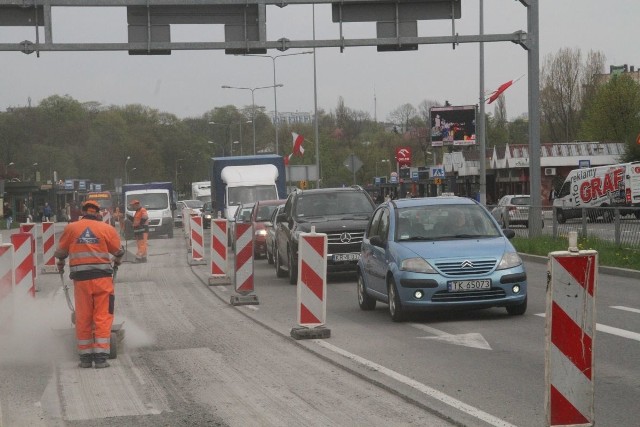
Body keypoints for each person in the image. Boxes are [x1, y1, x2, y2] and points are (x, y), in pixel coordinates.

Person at [54, 200, 124, 369]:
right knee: (102, 316)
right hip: (102, 281)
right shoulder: (106, 229)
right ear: (98, 213)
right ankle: (100, 358)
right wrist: (117, 261)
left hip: (81, 281)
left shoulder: (72, 228)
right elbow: (118, 251)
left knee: (83, 317)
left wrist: (61, 263)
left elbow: (61, 252)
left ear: (82, 212)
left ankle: (85, 358)